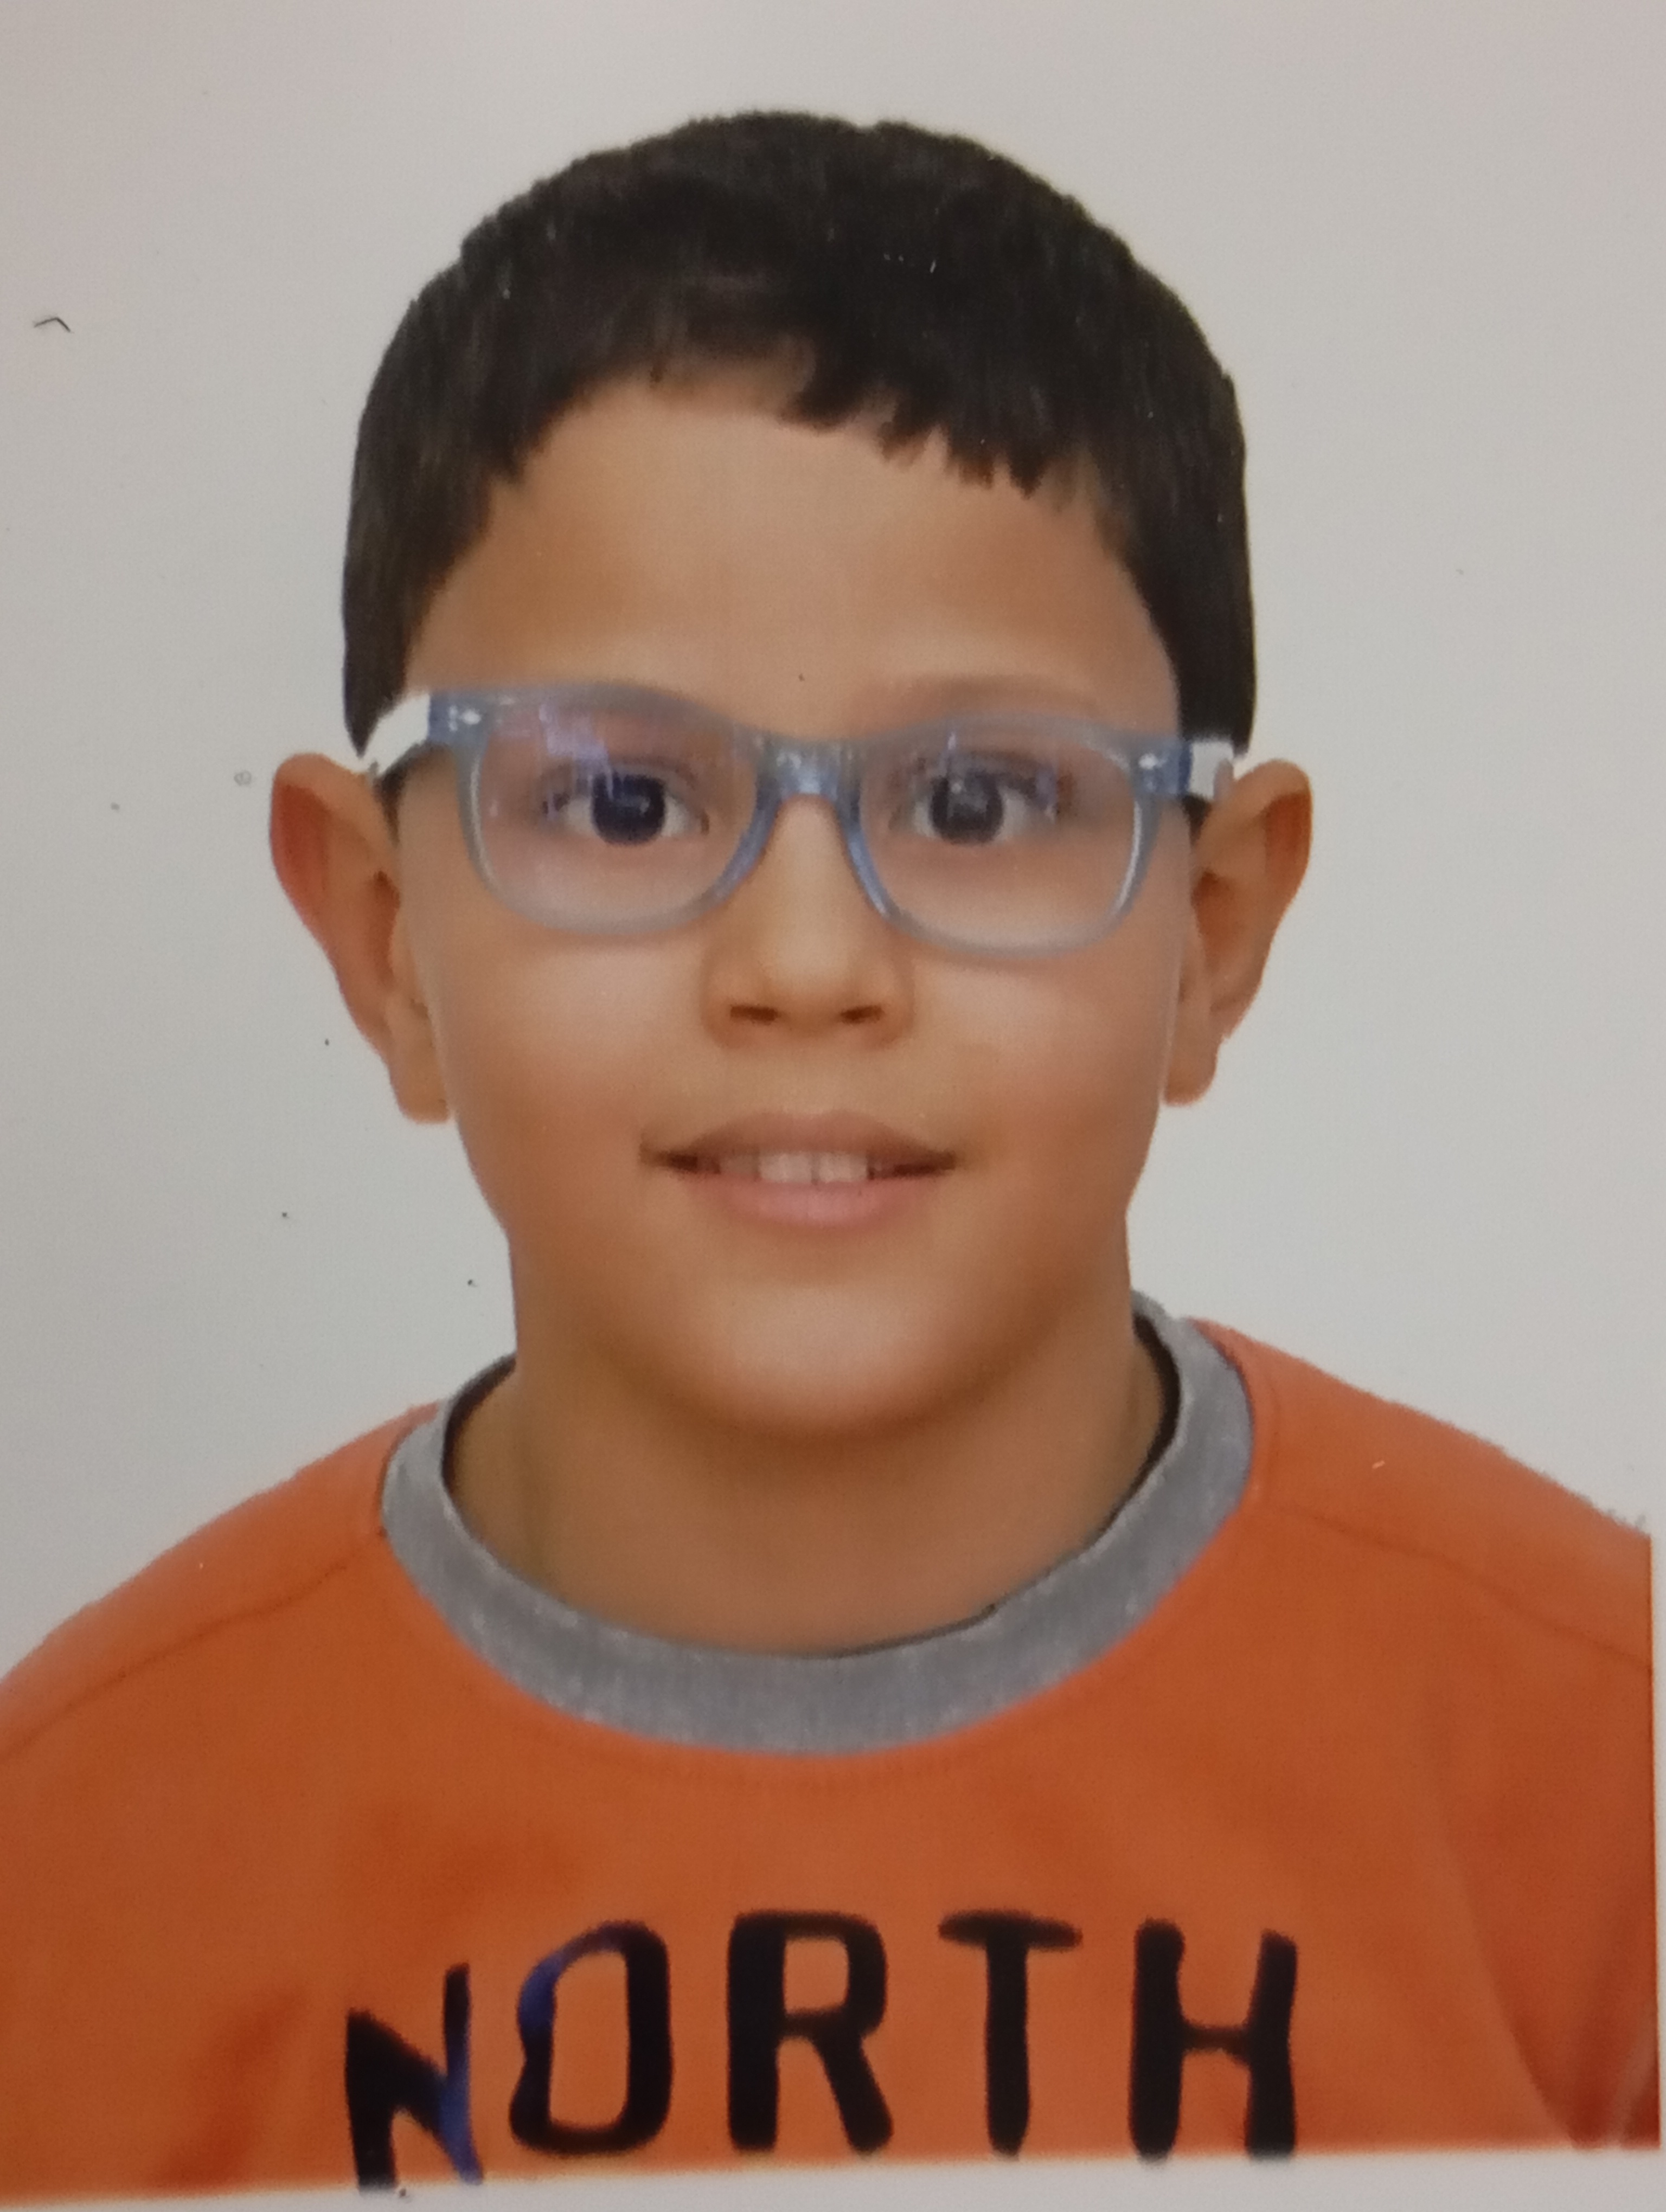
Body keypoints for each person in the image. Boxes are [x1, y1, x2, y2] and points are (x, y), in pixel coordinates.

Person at [0, 112, 1654, 2192]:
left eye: (976, 804)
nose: (806, 964)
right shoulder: (69, 1873)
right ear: (385, 934)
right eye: (620, 803)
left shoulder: (1609, 1787)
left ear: (1216, 930)